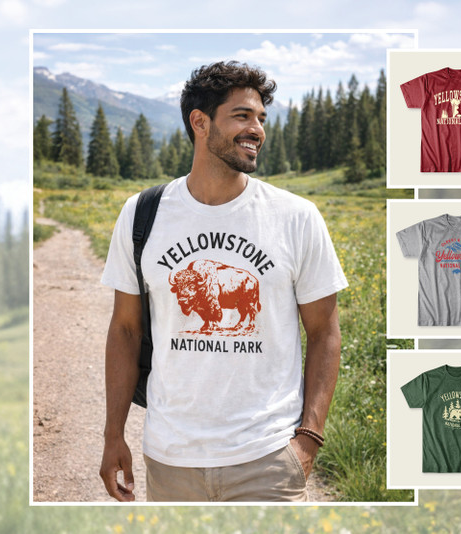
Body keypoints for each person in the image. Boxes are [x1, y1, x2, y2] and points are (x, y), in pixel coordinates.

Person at [98, 61, 347, 502]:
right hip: (170, 456)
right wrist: (113, 434)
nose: (257, 129)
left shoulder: (296, 217)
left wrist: (309, 437)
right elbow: (125, 329)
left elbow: (325, 330)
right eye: (242, 116)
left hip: (267, 456)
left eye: (261, 119)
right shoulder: (141, 213)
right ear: (200, 122)